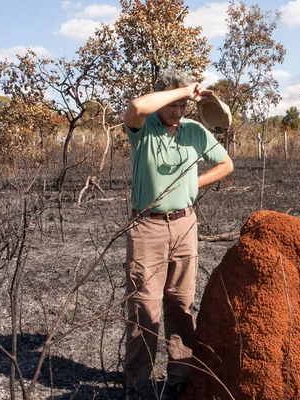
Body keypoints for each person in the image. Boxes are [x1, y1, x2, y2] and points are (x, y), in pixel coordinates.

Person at [123, 70, 233, 399]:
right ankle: (138, 386)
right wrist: (182, 89)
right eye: (174, 102)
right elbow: (137, 106)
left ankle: (179, 379)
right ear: (163, 98)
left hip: (185, 226)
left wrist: (191, 183)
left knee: (181, 306)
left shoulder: (195, 132)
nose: (179, 108)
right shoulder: (143, 129)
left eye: (184, 103)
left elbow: (226, 164)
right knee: (144, 308)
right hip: (148, 228)